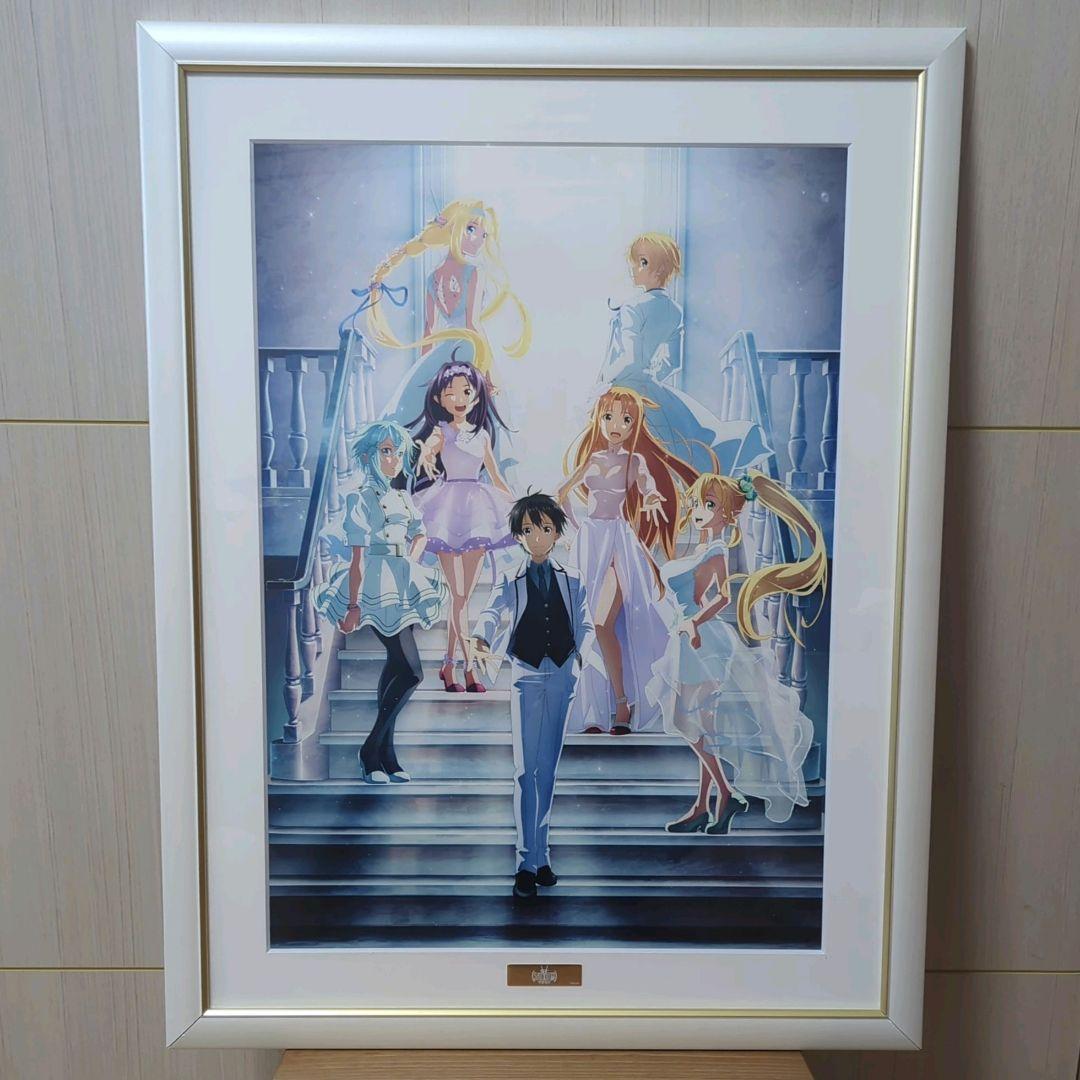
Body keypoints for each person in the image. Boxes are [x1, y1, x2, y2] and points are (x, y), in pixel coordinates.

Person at [647, 470, 824, 834]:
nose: (699, 511)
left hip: (702, 640)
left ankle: (725, 794)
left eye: (709, 505)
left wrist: (695, 622)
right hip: (688, 636)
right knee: (700, 723)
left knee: (686, 720)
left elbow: (724, 597)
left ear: (727, 514)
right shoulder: (701, 548)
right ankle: (703, 806)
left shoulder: (716, 549)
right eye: (697, 503)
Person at [470, 493, 595, 899]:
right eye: (527, 530)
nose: (536, 537)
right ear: (519, 535)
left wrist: (579, 660)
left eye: (544, 528)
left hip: (561, 673)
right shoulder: (511, 577)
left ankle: (542, 858)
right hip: (525, 672)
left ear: (556, 532)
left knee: (547, 770)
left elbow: (586, 624)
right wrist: (480, 636)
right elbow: (492, 611)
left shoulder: (572, 577)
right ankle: (527, 862)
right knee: (526, 771)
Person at [314, 421, 449, 784]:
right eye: (385, 451)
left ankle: (384, 756)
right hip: (375, 583)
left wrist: (411, 562)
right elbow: (357, 558)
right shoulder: (358, 499)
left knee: (397, 665)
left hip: (402, 579)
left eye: (397, 452)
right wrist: (352, 606)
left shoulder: (403, 497)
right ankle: (371, 748)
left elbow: (420, 534)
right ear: (368, 456)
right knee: (412, 671)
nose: (393, 459)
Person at [557, 386, 697, 735]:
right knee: (586, 626)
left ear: (635, 425)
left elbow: (648, 487)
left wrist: (651, 498)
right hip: (590, 542)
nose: (616, 425)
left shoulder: (634, 462)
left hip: (618, 542)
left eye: (625, 419)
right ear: (598, 419)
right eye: (609, 417)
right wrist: (574, 529)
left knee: (601, 623)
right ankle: (595, 708)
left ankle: (622, 701)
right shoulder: (592, 459)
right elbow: (562, 493)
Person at [361, 199, 531, 475]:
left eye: (483, 235)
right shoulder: (474, 272)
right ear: (454, 229)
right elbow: (472, 324)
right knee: (480, 413)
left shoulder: (433, 277)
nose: (478, 240)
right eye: (472, 229)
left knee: (436, 414)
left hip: (442, 350)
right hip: (470, 348)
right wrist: (487, 372)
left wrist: (425, 370)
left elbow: (429, 331)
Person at [598, 231, 769, 474]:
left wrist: (605, 381)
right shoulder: (674, 310)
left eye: (642, 262)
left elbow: (630, 358)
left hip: (625, 392)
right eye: (635, 262)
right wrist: (650, 378)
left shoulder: (633, 307)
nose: (633, 268)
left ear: (659, 268)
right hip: (650, 389)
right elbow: (673, 361)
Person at [411, 358, 517, 693]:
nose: (459, 398)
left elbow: (495, 476)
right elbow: (429, 450)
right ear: (439, 398)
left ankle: (448, 664)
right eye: (451, 392)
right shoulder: (442, 431)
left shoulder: (482, 435)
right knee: (458, 596)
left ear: (476, 396)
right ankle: (468, 668)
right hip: (446, 511)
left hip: (478, 513)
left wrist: (518, 506)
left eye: (466, 391)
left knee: (462, 598)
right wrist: (427, 456)